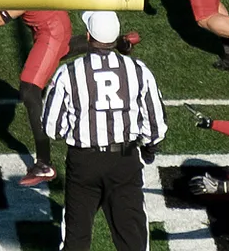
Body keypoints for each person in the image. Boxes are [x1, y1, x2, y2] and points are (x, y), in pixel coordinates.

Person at [36, 16, 161, 251]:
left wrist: (74, 132)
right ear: (115, 38)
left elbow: (51, 126)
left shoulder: (68, 72)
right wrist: (148, 146)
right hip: (124, 159)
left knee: (76, 237)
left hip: (84, 160)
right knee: (132, 237)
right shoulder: (138, 70)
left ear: (88, 37)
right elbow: (157, 124)